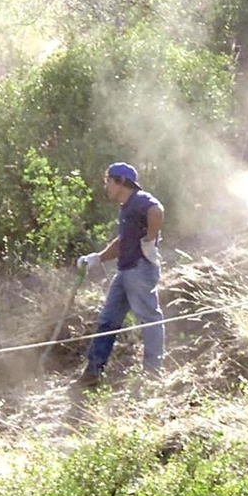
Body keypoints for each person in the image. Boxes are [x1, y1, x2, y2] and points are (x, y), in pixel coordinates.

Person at [74, 162, 166, 387]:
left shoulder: (140, 199)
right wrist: (98, 258)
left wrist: (149, 241)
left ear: (121, 182)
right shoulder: (127, 207)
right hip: (125, 271)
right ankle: (94, 371)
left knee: (149, 318)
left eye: (108, 180)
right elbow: (123, 242)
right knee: (108, 320)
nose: (105, 185)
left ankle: (153, 374)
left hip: (140, 269)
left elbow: (157, 211)